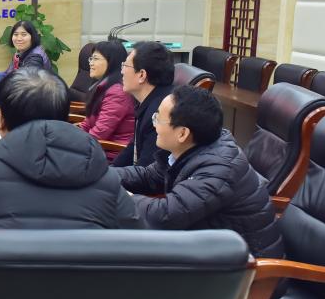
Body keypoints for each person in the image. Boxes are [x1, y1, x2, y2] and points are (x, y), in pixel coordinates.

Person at [0, 68, 139, 252]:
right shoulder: (105, 179)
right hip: (82, 288)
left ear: (2, 121)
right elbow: (134, 245)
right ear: (64, 118)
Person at [116, 86, 283, 259]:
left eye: (158, 118)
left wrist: (121, 197)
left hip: (244, 267)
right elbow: (148, 176)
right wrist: (107, 176)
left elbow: (165, 216)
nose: (154, 124)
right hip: (208, 249)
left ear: (182, 133)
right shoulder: (190, 148)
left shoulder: (218, 168)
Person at [112, 41, 174, 168]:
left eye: (125, 65)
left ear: (142, 75)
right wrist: (110, 171)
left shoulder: (160, 113)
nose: (122, 71)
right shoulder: (149, 102)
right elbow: (133, 147)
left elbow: (146, 170)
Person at [77, 40, 135, 161]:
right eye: (91, 59)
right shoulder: (102, 86)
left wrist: (74, 144)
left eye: (96, 59)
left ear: (111, 62)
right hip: (98, 149)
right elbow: (88, 123)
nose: (91, 63)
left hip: (111, 155)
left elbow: (100, 132)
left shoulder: (117, 92)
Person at [0, 20, 50, 87]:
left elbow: (23, 81)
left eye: (24, 34)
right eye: (16, 34)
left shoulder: (35, 57)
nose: (19, 38)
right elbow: (10, 74)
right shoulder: (20, 52)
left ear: (32, 37)